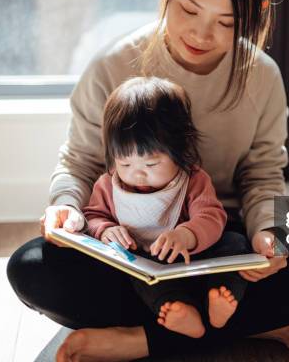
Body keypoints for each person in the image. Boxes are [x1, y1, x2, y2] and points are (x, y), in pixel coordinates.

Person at [7, 0, 289, 360]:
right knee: (30, 268)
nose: (202, 32)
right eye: (189, 9)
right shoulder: (112, 65)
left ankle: (142, 339)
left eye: (227, 21)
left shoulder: (262, 76)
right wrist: (66, 208)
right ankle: (250, 323)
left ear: (258, 11)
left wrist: (268, 234)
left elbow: (262, 176)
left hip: (224, 241)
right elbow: (80, 163)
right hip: (131, 245)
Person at [81, 76, 249, 338]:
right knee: (135, 272)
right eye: (125, 164)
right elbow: (92, 215)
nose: (138, 174)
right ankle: (178, 310)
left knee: (236, 243)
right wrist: (104, 229)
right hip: (147, 268)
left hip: (194, 263)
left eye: (151, 165)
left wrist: (186, 235)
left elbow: (211, 216)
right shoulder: (108, 185)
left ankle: (220, 300)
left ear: (180, 151)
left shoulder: (192, 179)